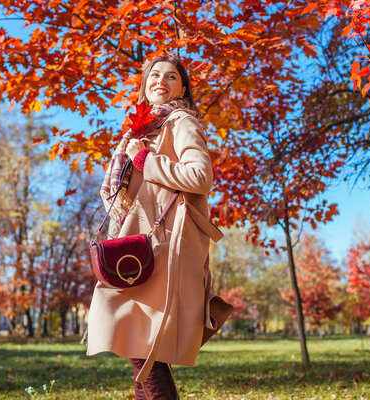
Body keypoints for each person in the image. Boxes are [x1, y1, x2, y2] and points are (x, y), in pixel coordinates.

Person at [86, 55, 234, 400]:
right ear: (144, 83)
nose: (161, 81)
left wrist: (145, 161)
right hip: (136, 242)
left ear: (182, 87)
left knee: (140, 343)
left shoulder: (181, 121)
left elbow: (200, 177)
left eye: (171, 77)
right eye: (154, 75)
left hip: (165, 242)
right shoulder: (137, 130)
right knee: (139, 344)